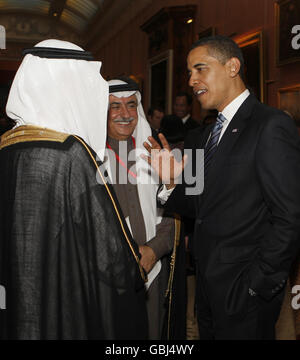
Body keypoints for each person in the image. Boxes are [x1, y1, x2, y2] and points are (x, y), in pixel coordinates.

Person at [143, 35, 300, 340]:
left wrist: (258, 283)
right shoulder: (204, 136)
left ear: (232, 66)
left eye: (200, 69)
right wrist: (172, 181)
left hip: (247, 293)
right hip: (207, 289)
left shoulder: (269, 125)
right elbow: (200, 207)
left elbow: (290, 216)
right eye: (189, 73)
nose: (192, 80)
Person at [0, 40, 148, 340]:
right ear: (69, 89)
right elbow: (112, 257)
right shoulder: (70, 152)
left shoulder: (5, 146)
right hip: (62, 305)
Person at [105, 77, 186, 340]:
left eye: (131, 105)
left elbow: (178, 211)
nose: (125, 114)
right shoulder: (87, 156)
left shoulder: (161, 153)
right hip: (105, 276)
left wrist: (154, 249)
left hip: (153, 268)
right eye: (115, 107)